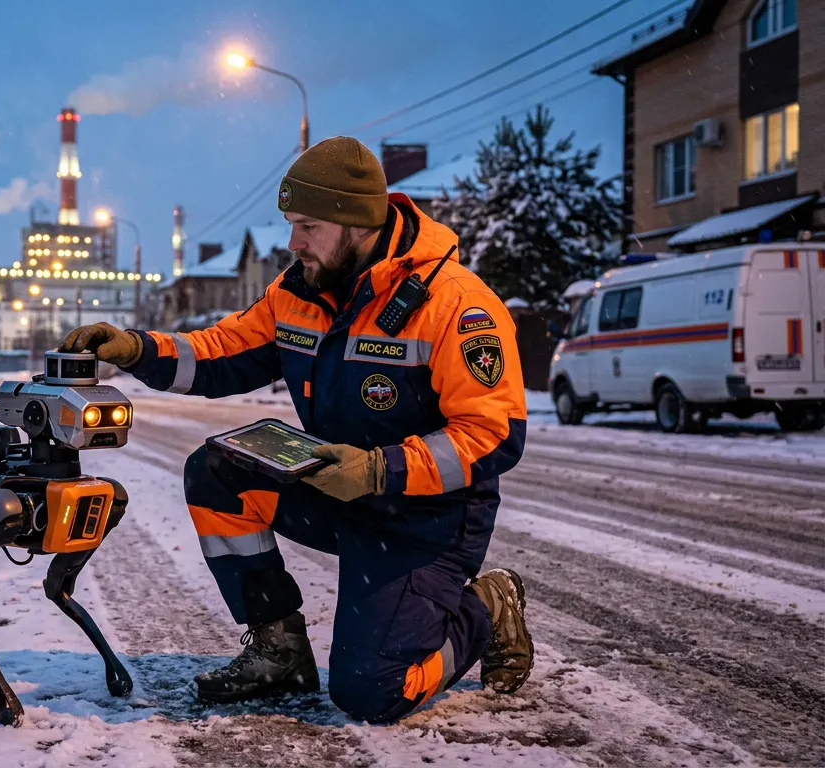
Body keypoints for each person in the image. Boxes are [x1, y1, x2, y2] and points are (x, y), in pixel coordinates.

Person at [58, 136, 533, 723]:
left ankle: (486, 609)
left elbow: (493, 432)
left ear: (356, 223)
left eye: (308, 225)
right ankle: (279, 650)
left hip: (426, 521)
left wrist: (381, 470)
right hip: (338, 489)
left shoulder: (455, 305)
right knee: (216, 472)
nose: (293, 242)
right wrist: (135, 348)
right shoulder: (299, 292)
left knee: (372, 694)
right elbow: (222, 350)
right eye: (290, 223)